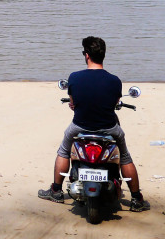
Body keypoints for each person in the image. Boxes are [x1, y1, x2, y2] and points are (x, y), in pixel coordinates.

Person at [38, 36, 149, 211]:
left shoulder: (75, 78)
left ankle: (56, 191)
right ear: (103, 55)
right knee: (125, 157)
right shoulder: (114, 81)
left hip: (80, 126)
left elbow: (73, 103)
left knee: (64, 150)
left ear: (87, 55)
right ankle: (136, 199)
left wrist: (75, 104)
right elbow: (115, 104)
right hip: (109, 128)